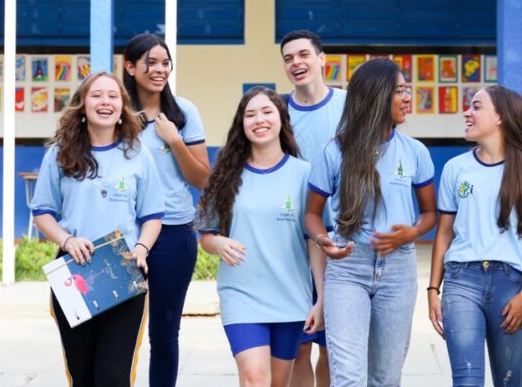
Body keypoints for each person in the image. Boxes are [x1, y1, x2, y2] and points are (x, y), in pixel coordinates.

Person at [304, 58, 437, 387]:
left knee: (385, 379)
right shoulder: (333, 152)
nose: (407, 98)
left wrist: (412, 232)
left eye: (408, 89)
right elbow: (311, 215)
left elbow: (430, 214)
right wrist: (324, 240)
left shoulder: (416, 152)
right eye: (399, 91)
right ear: (375, 95)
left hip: (398, 272)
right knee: (348, 377)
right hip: (348, 268)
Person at [31, 72, 165, 387]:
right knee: (82, 374)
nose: (105, 102)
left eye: (113, 96)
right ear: (82, 104)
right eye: (96, 95)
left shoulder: (137, 154)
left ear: (122, 106)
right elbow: (42, 212)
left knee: (113, 375)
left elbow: (153, 216)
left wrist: (142, 248)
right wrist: (66, 238)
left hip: (124, 269)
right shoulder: (60, 153)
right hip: (74, 270)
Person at [198, 87, 326, 387]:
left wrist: (320, 299)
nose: (259, 120)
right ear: (241, 125)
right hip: (241, 295)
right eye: (250, 114)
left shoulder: (305, 174)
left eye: (267, 112)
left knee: (278, 383)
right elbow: (206, 236)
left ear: (281, 119)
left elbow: (314, 240)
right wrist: (218, 243)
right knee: (255, 379)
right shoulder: (227, 176)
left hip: (290, 297)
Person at [428, 86, 522, 387]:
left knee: (509, 381)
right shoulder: (456, 168)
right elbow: (444, 233)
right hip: (461, 280)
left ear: (501, 118)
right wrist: (433, 288)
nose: (467, 113)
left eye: (476, 107)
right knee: (466, 381)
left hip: (511, 283)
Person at [122, 33, 211, 387]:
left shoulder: (184, 112)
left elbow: (202, 179)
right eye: (150, 62)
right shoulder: (117, 113)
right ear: (129, 67)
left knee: (164, 332)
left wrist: (174, 140)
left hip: (174, 232)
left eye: (164, 62)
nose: (160, 70)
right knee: (119, 334)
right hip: (125, 234)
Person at [280, 30, 347, 387]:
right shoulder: (279, 112)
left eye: (303, 55)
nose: (296, 63)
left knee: (335, 346)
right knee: (299, 347)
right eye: (289, 58)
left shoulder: (350, 105)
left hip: (342, 242)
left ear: (322, 59)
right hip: (293, 243)